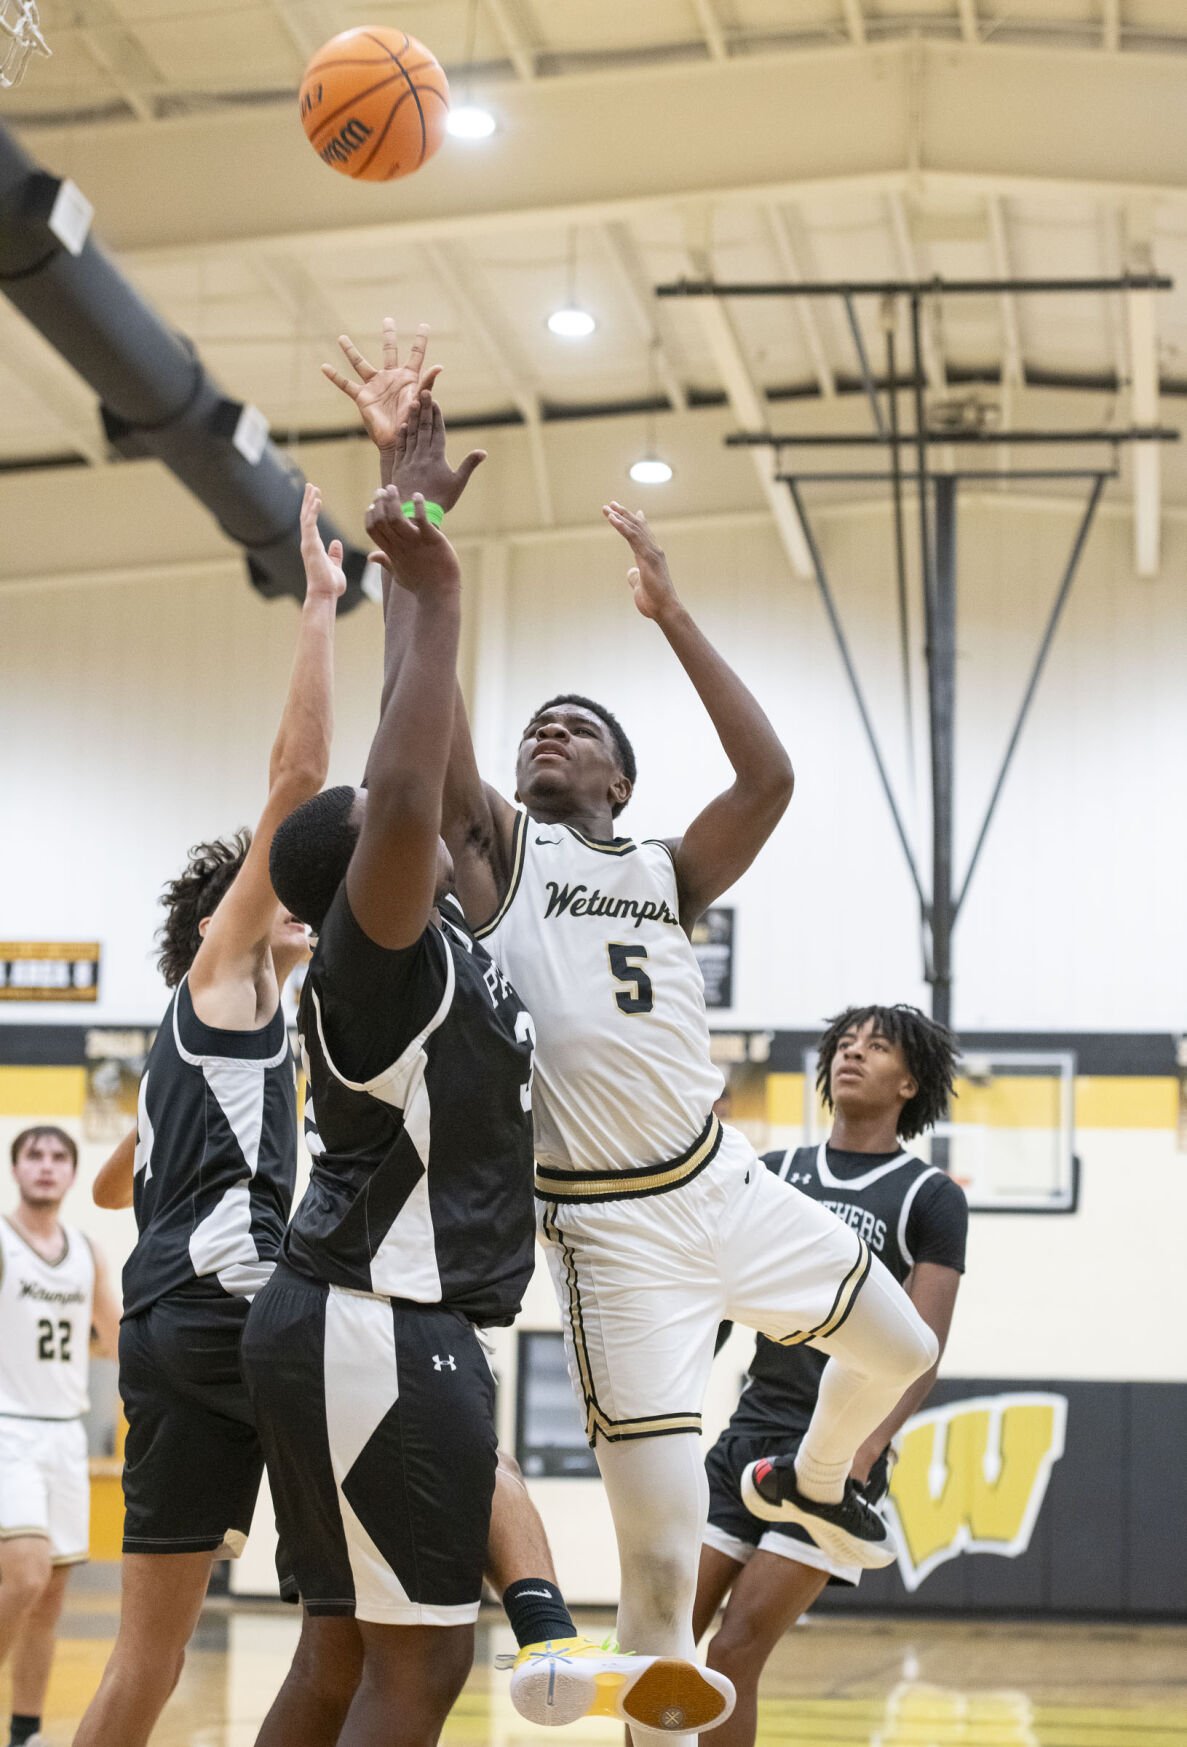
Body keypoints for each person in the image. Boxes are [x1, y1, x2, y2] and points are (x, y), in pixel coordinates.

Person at [346, 379, 939, 1734]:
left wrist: (671, 613)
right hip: (615, 1244)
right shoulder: (500, 856)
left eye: (577, 729)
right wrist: (413, 531)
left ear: (617, 777)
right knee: (663, 1582)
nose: (546, 733)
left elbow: (772, 776)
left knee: (899, 1346)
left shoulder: (667, 868)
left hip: (724, 1182)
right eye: (533, 729)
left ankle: (810, 1478)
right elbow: (419, 723)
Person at [256, 482, 734, 1747]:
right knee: (413, 1672)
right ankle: (544, 1630)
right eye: (382, 836)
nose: (405, 822)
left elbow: (419, 781)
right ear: (365, 877)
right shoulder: (380, 959)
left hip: (354, 1319)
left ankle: (549, 1628)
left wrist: (406, 546)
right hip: (378, 1318)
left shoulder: (451, 947)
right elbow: (408, 790)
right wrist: (441, 590)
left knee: (342, 1651)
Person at [72, 483, 346, 1747]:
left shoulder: (206, 1044)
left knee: (149, 1658)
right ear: (217, 922)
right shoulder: (225, 978)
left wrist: (137, 1151)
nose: (292, 892)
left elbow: (121, 1186)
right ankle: (547, 1614)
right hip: (231, 1317)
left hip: (171, 1328)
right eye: (269, 884)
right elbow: (297, 774)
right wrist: (323, 610)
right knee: (444, 1466)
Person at [696, 1005, 967, 1747]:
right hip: (747, 1435)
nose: (852, 1054)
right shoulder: (773, 1171)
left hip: (833, 1454)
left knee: (730, 1653)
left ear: (908, 1081)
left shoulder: (928, 1194)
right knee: (652, 1644)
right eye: (843, 1044)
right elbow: (717, 1301)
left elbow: (923, 1343)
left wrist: (868, 1447)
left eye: (875, 1047)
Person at [0, 1126, 119, 1747]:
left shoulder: (86, 1251)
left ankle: (25, 1732)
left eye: (58, 1158)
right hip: (7, 1431)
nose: (46, 1167)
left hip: (65, 1435)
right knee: (23, 1575)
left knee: (48, 1599)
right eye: (33, 1156)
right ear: (16, 1168)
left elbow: (118, 1333)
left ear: (73, 1174)